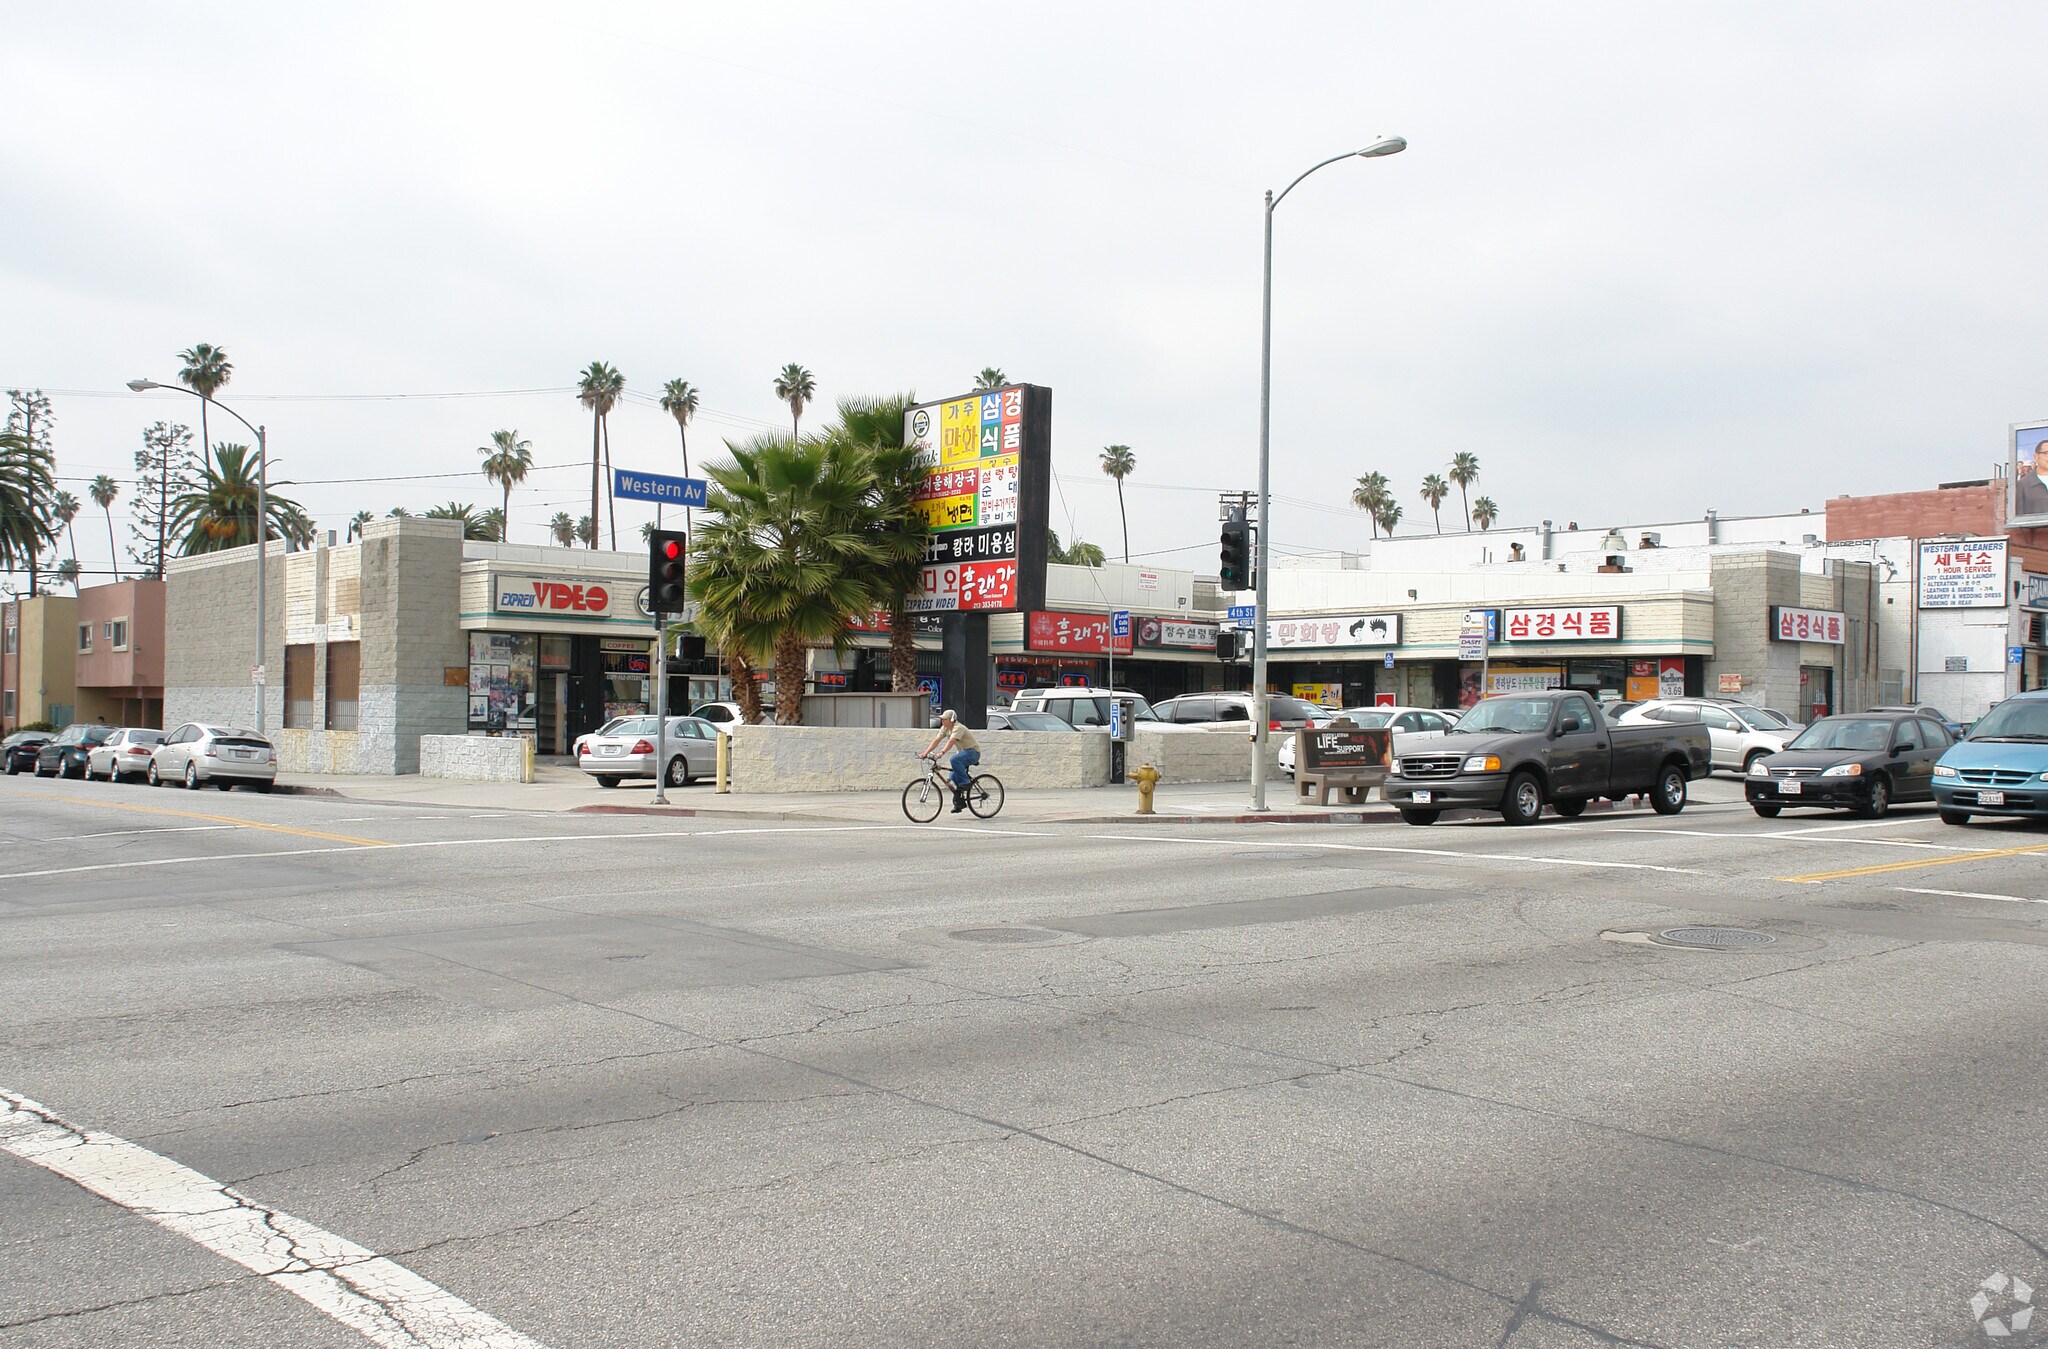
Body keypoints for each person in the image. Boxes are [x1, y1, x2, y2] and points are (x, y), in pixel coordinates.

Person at [921, 709, 981, 813]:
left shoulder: (958, 728)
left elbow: (951, 742)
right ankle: (959, 803)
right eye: (942, 719)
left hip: (972, 752)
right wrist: (925, 753)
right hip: (963, 753)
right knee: (951, 781)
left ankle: (965, 782)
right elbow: (936, 740)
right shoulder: (945, 728)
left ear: (952, 719)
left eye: (945, 719)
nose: (942, 721)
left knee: (954, 759)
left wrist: (941, 753)